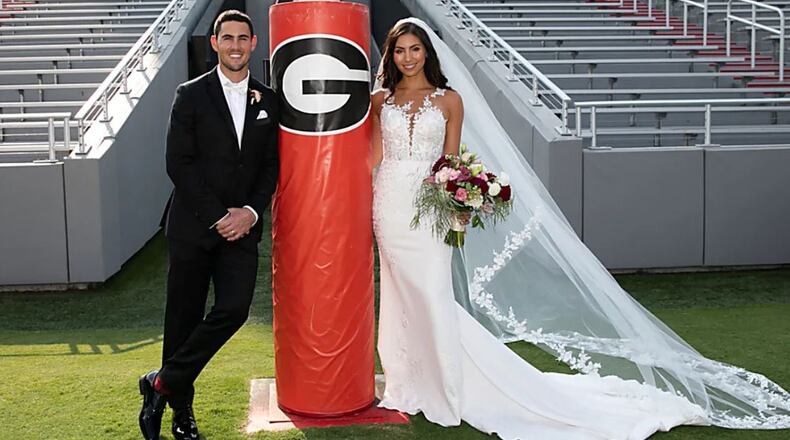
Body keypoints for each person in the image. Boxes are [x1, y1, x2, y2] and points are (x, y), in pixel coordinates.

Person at [370, 18, 790, 439]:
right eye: (400, 51)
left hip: (429, 210)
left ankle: (447, 385)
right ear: (391, 56)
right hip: (388, 204)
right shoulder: (379, 101)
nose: (408, 58)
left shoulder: (449, 101)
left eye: (415, 49)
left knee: (431, 292)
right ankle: (408, 380)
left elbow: (451, 161)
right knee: (399, 293)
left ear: (427, 52)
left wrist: (458, 201)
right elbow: (371, 156)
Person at [138, 10, 279, 440]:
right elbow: (177, 163)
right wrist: (220, 217)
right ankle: (181, 415)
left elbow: (270, 166)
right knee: (182, 321)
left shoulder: (269, 100)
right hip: (193, 228)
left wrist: (250, 214)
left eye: (243, 38)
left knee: (234, 309)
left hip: (243, 229)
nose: (235, 45)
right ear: (214, 43)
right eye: (227, 38)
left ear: (254, 43)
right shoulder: (190, 94)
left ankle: (160, 382)